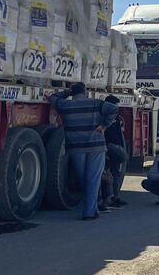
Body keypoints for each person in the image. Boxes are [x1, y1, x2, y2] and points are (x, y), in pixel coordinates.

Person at [49, 82, 118, 220]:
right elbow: (113, 109)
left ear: (73, 93)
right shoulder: (95, 103)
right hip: (96, 146)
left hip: (76, 147)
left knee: (83, 180)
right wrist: (104, 125)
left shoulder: (64, 105)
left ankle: (93, 209)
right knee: (92, 179)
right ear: (85, 91)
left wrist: (67, 93)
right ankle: (89, 212)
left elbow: (52, 98)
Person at [98, 95, 129, 210]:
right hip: (107, 147)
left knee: (114, 173)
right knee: (107, 175)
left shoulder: (115, 117)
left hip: (114, 146)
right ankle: (106, 198)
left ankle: (113, 197)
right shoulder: (104, 117)